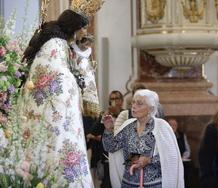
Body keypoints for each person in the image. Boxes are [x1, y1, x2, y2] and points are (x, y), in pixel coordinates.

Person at [14, 10, 94, 187]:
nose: (84, 32)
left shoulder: (56, 41)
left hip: (44, 108)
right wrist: (76, 86)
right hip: (53, 110)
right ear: (75, 27)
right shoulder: (56, 44)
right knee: (57, 147)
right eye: (83, 28)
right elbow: (59, 78)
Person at [102, 89, 184, 188]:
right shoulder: (127, 126)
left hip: (154, 185)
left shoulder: (162, 127)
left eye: (139, 103)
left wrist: (149, 160)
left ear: (151, 108)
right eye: (133, 102)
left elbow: (171, 158)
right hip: (128, 184)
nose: (134, 106)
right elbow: (111, 147)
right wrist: (109, 130)